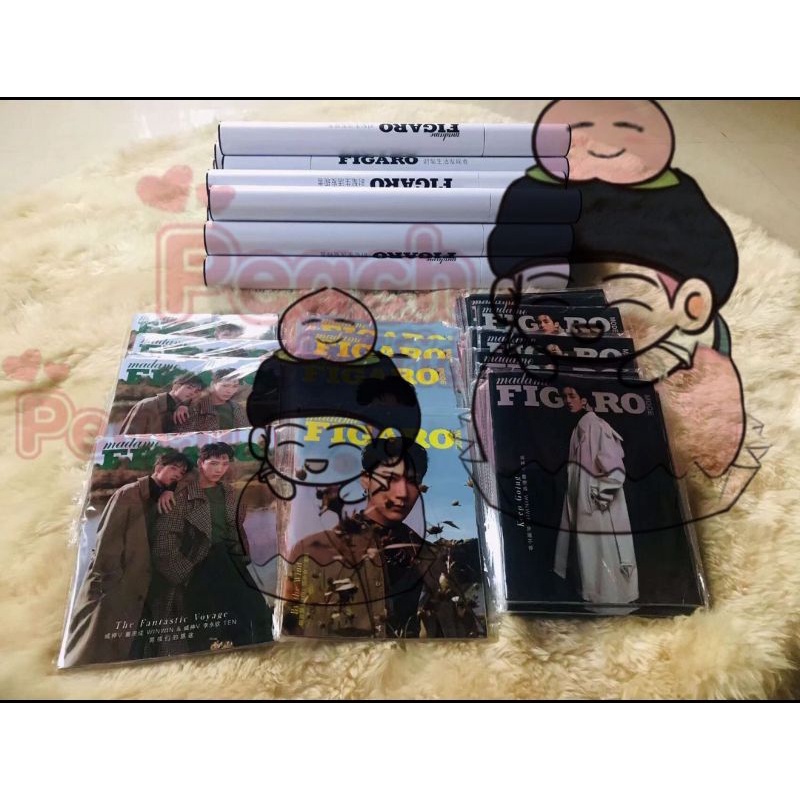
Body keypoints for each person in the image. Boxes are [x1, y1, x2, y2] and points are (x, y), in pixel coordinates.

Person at [282, 439, 484, 639]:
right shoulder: (313, 551)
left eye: (413, 481)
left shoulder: (434, 560)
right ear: (366, 480)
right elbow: (291, 636)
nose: (402, 493)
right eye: (390, 478)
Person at [62, 450, 192, 666]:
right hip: (115, 583)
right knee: (93, 645)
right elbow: (106, 541)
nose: (178, 474)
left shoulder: (164, 494)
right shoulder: (128, 494)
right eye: (173, 469)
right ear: (158, 467)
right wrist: (110, 579)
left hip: (142, 584)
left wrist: (170, 489)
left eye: (181, 472)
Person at [148, 443, 271, 656]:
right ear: (200, 463)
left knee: (256, 611)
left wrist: (242, 555)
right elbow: (164, 542)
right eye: (213, 463)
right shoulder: (181, 495)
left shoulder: (229, 492)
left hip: (229, 560)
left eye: (224, 464)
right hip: (198, 564)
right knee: (242, 612)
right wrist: (185, 573)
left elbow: (235, 528)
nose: (219, 469)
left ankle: (256, 655)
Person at [553, 385, 638, 609]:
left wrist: (599, 497)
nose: (567, 400)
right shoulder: (578, 429)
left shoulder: (597, 426)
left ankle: (612, 603)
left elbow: (615, 470)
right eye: (564, 396)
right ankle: (597, 601)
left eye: (572, 396)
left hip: (598, 508)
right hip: (582, 504)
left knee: (605, 555)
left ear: (584, 400)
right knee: (588, 557)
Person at [119, 373, 203, 435]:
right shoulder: (147, 405)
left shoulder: (188, 410)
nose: (192, 393)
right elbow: (127, 440)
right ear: (176, 387)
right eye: (189, 387)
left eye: (196, 391)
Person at [176, 368, 249, 432]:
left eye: (235, 386)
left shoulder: (237, 407)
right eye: (225, 385)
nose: (230, 391)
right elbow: (182, 437)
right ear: (213, 384)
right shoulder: (195, 408)